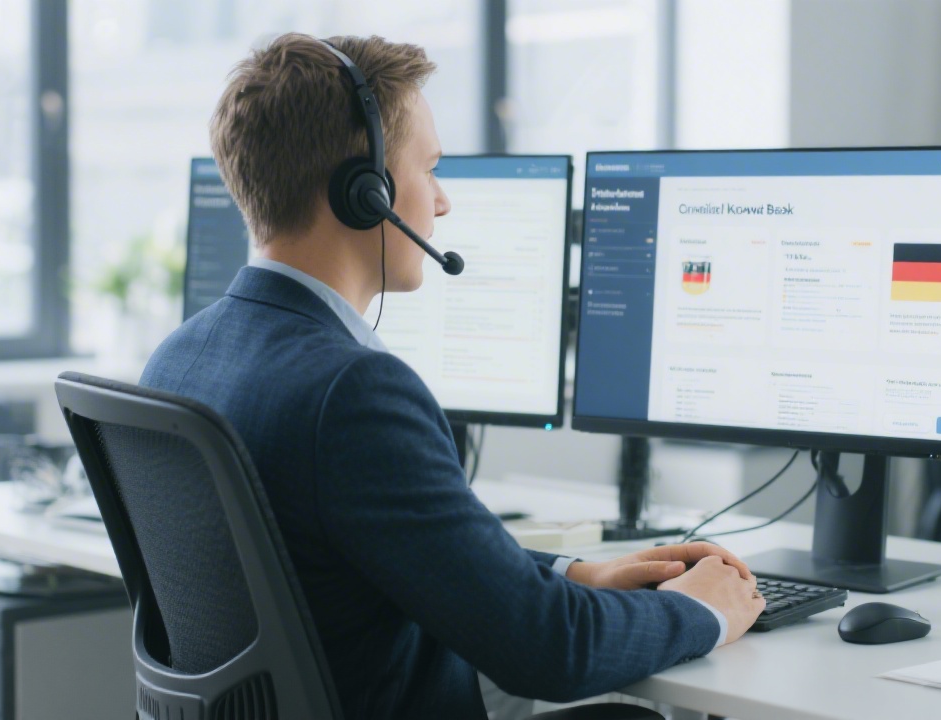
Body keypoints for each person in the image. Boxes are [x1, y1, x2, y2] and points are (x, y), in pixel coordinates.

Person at [140, 32, 765, 720]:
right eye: (429, 169)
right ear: (364, 192)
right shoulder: (353, 394)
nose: (441, 203)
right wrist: (698, 611)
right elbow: (550, 650)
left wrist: (572, 572)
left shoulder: (177, 360)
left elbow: (377, 550)